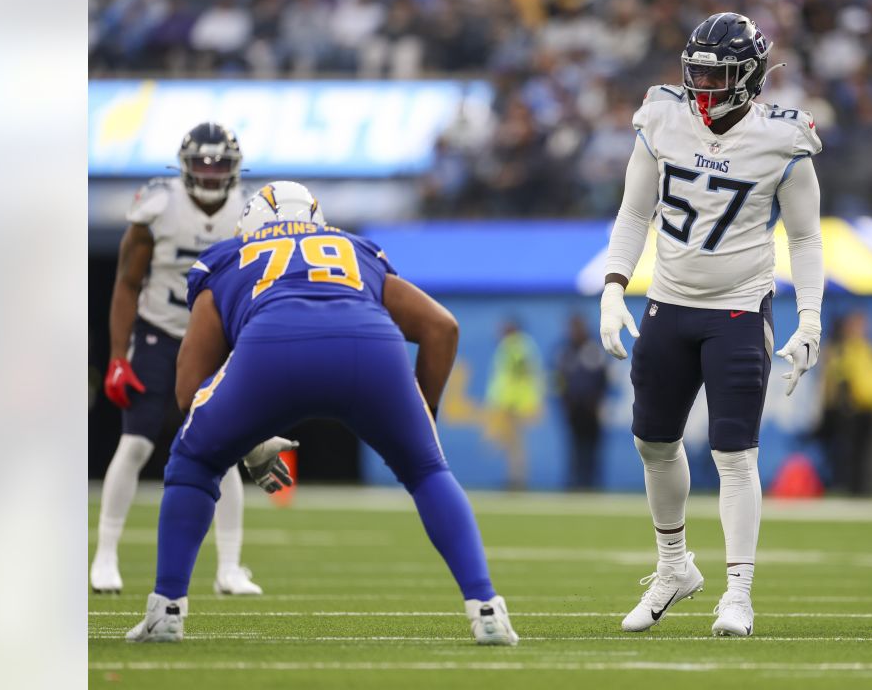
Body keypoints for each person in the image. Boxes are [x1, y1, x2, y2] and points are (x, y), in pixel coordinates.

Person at [125, 181, 518, 646]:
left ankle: (167, 610)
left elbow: (190, 389)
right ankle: (487, 608)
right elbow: (441, 326)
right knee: (427, 470)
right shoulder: (354, 248)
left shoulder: (230, 255)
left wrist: (242, 440)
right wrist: (421, 416)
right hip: (370, 350)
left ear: (250, 224)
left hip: (272, 349)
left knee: (193, 462)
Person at [599, 12, 824, 637]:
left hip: (738, 308)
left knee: (735, 454)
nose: (700, 85)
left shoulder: (784, 137)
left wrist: (809, 318)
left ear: (748, 77)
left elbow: (805, 237)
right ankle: (674, 568)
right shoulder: (661, 116)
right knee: (652, 443)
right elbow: (633, 213)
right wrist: (613, 288)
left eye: (715, 75)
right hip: (667, 303)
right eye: (694, 71)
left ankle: (740, 593)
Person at [93, 122, 263, 595]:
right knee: (137, 444)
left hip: (214, 338)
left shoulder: (249, 212)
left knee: (225, 451)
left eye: (220, 165)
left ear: (235, 169)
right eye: (202, 165)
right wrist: (115, 356)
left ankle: (229, 567)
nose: (210, 175)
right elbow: (127, 284)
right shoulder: (160, 206)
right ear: (184, 167)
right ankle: (104, 555)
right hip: (159, 332)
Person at [819, 309, 872, 495]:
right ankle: (845, 485)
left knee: (864, 449)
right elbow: (837, 376)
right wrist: (841, 401)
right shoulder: (842, 349)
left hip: (868, 407)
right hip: (848, 408)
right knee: (846, 449)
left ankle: (861, 486)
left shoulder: (871, 349)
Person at [484, 319, 544, 490]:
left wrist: (512, 402)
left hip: (513, 405)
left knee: (515, 444)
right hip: (512, 403)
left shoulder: (516, 346)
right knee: (512, 444)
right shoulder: (518, 346)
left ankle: (517, 480)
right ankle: (514, 477)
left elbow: (520, 376)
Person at [553, 314, 609, 490]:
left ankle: (591, 484)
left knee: (593, 447)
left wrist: (597, 400)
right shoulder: (565, 351)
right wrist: (565, 400)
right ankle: (576, 483)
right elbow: (559, 379)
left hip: (592, 408)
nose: (575, 332)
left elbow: (603, 377)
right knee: (575, 447)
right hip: (574, 407)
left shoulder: (593, 348)